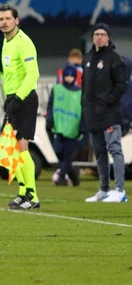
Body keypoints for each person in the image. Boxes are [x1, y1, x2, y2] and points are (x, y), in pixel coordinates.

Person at [0, 5, 40, 210]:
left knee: (23, 147)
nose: (4, 22)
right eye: (1, 19)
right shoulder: (6, 41)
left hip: (25, 99)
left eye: (7, 18)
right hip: (12, 98)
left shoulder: (24, 43)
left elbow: (33, 74)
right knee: (13, 148)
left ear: (17, 20)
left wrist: (18, 99)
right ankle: (23, 192)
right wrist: (9, 100)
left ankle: (33, 196)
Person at [82, 23, 128, 203]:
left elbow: (122, 85)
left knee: (115, 149)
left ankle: (120, 190)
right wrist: (84, 104)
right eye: (96, 34)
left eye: (102, 34)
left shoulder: (114, 58)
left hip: (109, 113)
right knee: (99, 152)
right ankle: (104, 189)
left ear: (108, 37)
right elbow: (84, 85)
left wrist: (108, 101)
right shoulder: (88, 58)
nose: (99, 37)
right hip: (92, 114)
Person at [46, 65, 84, 186]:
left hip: (73, 128)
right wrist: (50, 120)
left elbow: (83, 111)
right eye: (66, 76)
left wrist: (83, 127)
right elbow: (50, 105)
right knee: (59, 152)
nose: (68, 78)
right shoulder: (57, 89)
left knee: (67, 154)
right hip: (58, 127)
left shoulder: (80, 92)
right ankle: (73, 175)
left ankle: (61, 176)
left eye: (71, 76)